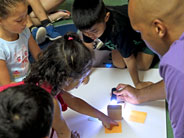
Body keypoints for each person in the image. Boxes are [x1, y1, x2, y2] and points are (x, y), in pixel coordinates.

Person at [23, 33, 118, 138]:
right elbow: (63, 132)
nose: (81, 83)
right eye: (81, 79)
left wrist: (101, 116)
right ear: (68, 79)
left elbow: (74, 101)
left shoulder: (43, 80)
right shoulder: (50, 102)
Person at [113, 0, 184, 138]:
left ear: (158, 28)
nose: (142, 38)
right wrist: (140, 95)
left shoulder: (176, 65)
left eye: (140, 31)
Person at [72, 0, 155, 89]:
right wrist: (85, 73)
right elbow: (88, 49)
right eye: (85, 32)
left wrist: (137, 83)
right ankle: (123, 47)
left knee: (141, 66)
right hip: (120, 38)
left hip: (144, 35)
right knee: (119, 64)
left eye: (94, 31)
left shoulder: (118, 30)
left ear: (106, 17)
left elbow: (129, 60)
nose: (90, 36)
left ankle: (131, 47)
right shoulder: (89, 26)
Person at [0, 0, 41, 85]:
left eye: (26, 16)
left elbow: (39, 56)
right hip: (14, 90)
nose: (25, 22)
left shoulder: (24, 31)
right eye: (19, 20)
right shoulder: (1, 47)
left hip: (29, 78)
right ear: (1, 21)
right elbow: (6, 84)